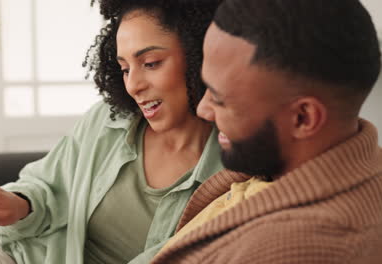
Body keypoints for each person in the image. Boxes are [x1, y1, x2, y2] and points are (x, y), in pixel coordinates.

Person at [0, 0, 224, 263]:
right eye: (124, 68)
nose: (133, 85)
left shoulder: (232, 175)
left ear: (200, 54)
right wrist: (18, 204)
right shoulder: (108, 120)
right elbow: (46, 186)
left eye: (150, 63)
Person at [152, 0, 382, 263]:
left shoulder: (290, 251)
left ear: (302, 118)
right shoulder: (277, 167)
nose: (203, 110)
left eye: (219, 99)